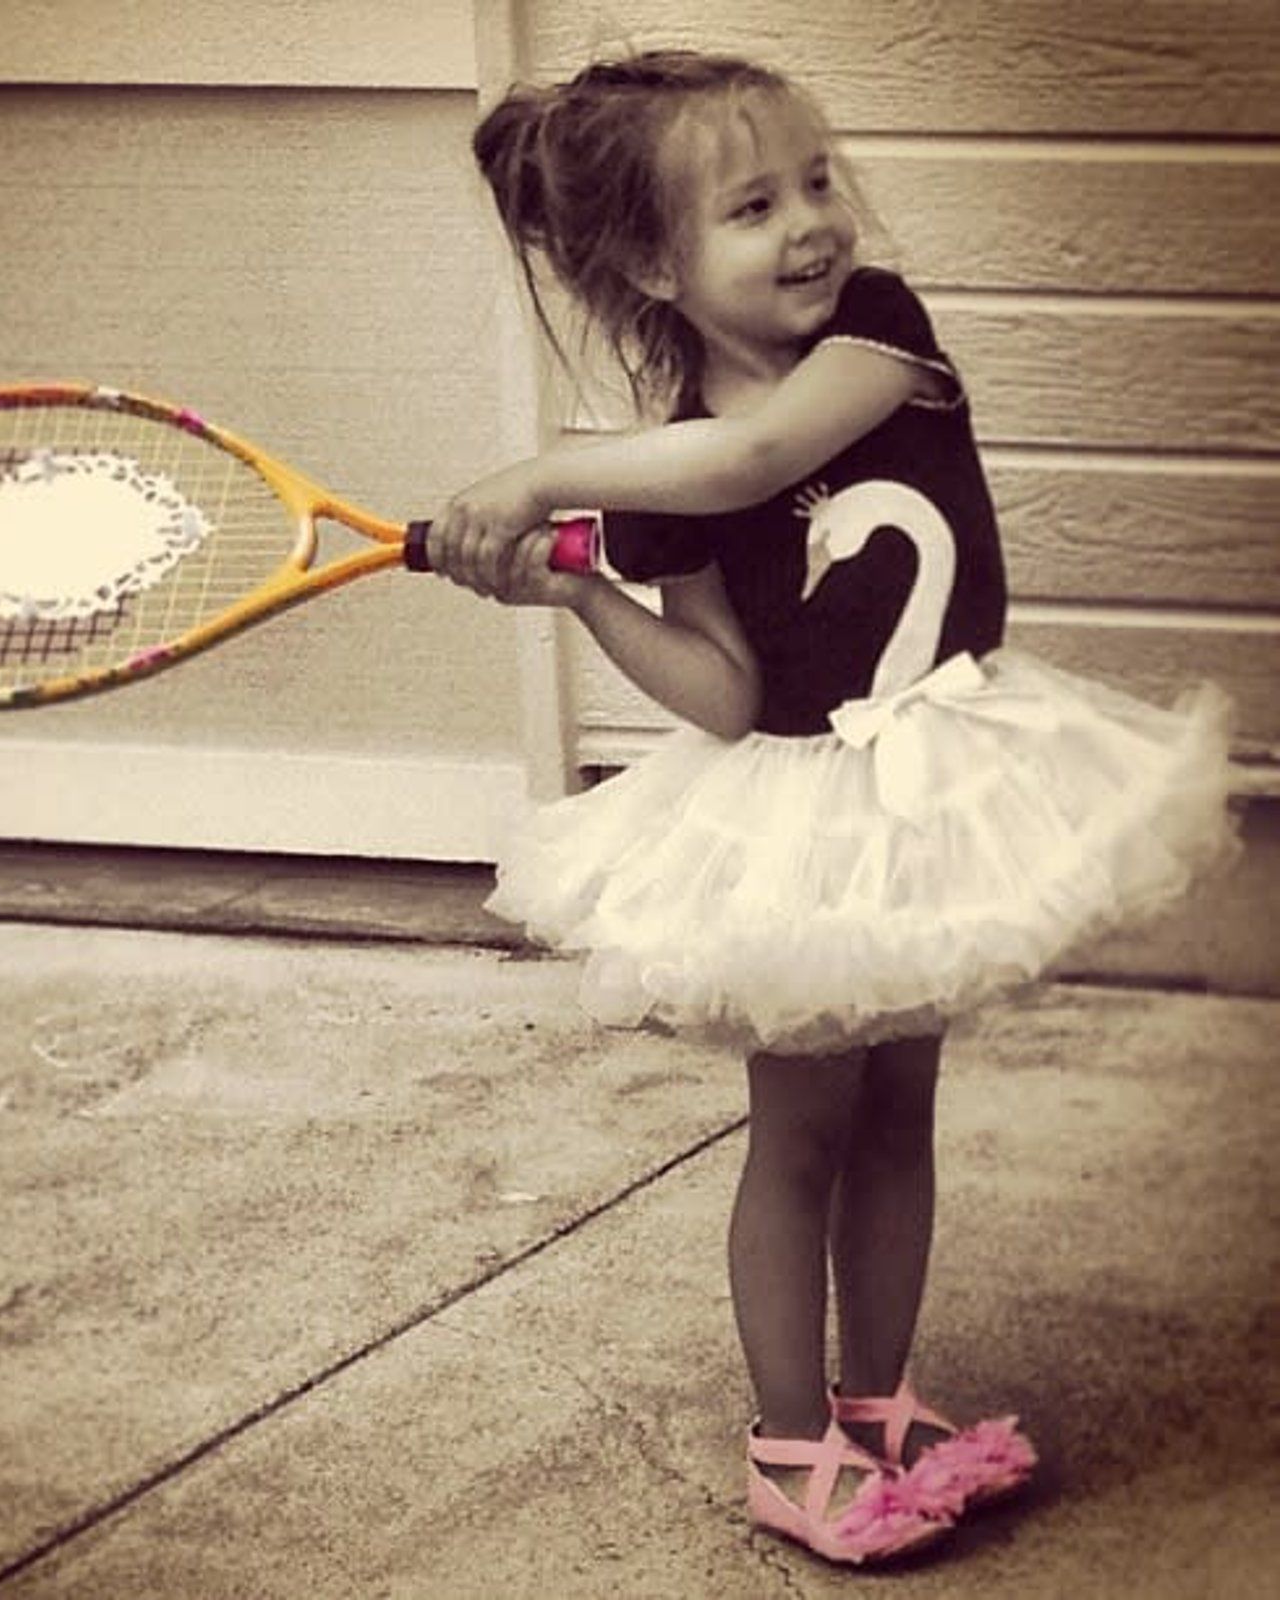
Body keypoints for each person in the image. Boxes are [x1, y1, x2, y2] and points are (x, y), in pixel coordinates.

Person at [424, 49, 1237, 1566]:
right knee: (801, 1132)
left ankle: (882, 1403)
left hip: (930, 790)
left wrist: (534, 476)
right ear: (653, 261)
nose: (810, 221)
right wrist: (583, 585)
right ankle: (793, 1442)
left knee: (902, 1110)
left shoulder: (881, 332)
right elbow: (727, 693)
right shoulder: (656, 476)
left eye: (814, 182)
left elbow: (760, 454)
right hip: (803, 828)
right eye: (753, 204)